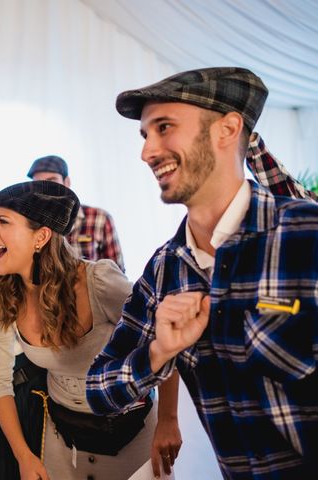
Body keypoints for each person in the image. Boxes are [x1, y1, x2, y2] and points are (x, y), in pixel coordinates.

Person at [86, 67, 318, 479]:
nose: (147, 152)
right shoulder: (165, 270)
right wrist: (158, 352)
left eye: (164, 128)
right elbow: (99, 390)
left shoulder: (306, 235)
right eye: (145, 135)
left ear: (227, 129)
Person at [0, 180, 181, 480]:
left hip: (133, 440)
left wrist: (168, 419)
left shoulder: (98, 282)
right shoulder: (0, 292)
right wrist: (24, 455)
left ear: (41, 236)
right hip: (62, 446)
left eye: (2, 221)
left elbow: (163, 339)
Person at [27, 155, 125, 270]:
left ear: (67, 182)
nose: (46, 189)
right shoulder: (30, 223)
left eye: (52, 181)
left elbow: (116, 272)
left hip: (92, 287)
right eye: (39, 184)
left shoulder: (99, 218)